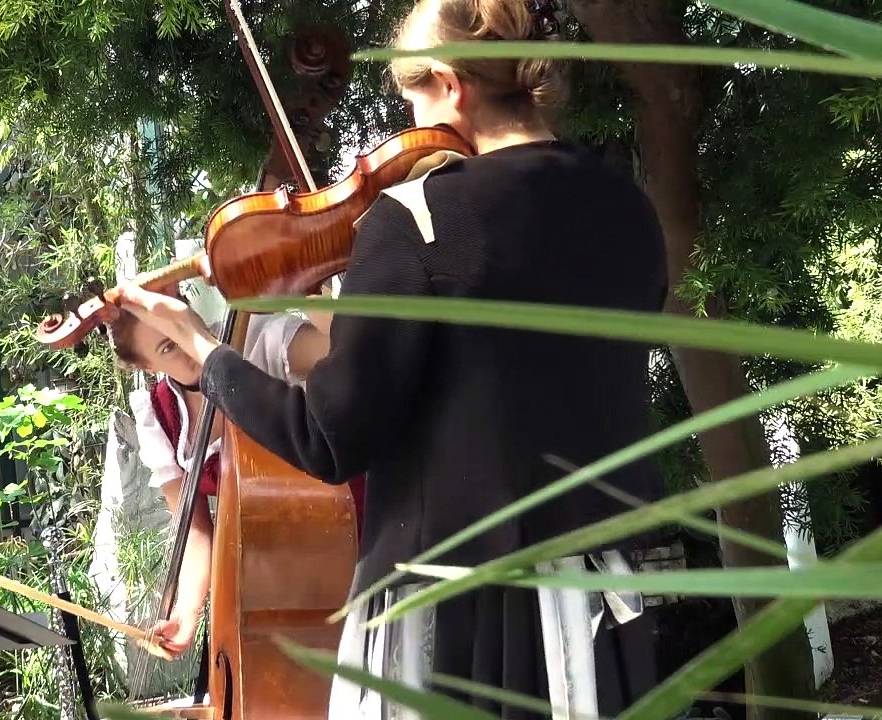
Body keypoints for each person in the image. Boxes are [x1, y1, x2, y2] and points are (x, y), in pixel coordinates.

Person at [112, 0, 669, 716]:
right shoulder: (628, 211)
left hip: (459, 618)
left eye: (413, 98)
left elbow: (327, 438)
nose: (411, 127)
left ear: (450, 84)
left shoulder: (414, 222)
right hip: (602, 610)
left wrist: (202, 351)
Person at [110, 287, 365, 658]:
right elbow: (196, 529)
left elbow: (343, 348)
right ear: (148, 366)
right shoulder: (156, 416)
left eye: (179, 328)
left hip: (352, 526)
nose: (184, 350)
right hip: (276, 580)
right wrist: (187, 612)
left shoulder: (255, 338)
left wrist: (303, 282)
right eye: (167, 348)